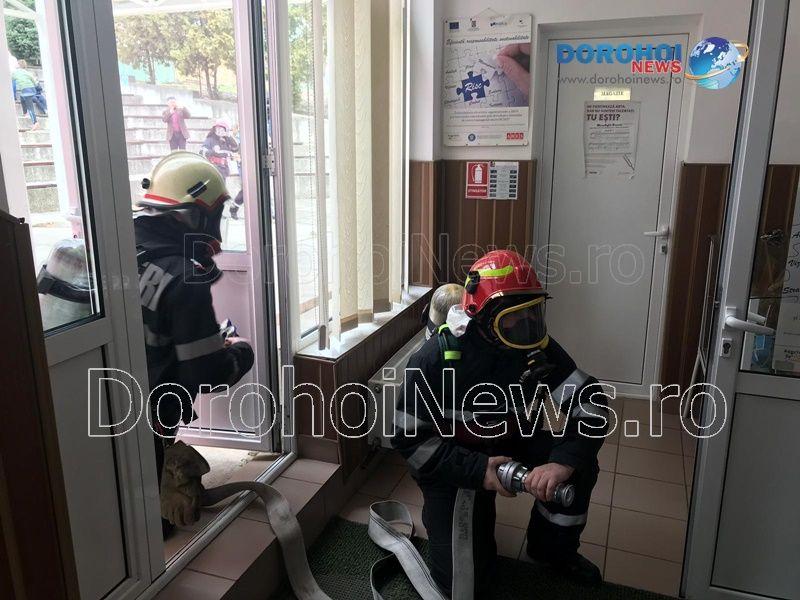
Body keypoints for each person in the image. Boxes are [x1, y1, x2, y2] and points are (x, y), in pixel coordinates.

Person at [392, 250, 609, 597]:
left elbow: (591, 402)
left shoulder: (535, 348)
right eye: (513, 316)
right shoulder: (434, 360)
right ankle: (446, 517)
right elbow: (410, 440)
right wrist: (479, 471)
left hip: (509, 441)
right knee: (466, 587)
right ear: (481, 315)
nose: (526, 324)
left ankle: (553, 550)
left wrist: (563, 462)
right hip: (453, 462)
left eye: (532, 312)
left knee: (579, 465)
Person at [133, 151, 254, 535]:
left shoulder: (113, 244)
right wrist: (240, 351)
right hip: (147, 406)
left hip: (88, 392)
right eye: (214, 216)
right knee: (159, 521)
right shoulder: (183, 278)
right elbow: (207, 374)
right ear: (195, 216)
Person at [12, 59, 47, 130]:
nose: (15, 65)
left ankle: (35, 123)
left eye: (17, 64)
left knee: (30, 108)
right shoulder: (27, 72)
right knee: (22, 98)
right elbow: (34, 82)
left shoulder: (16, 72)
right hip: (32, 89)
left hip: (26, 90)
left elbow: (10, 78)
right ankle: (25, 113)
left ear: (19, 65)